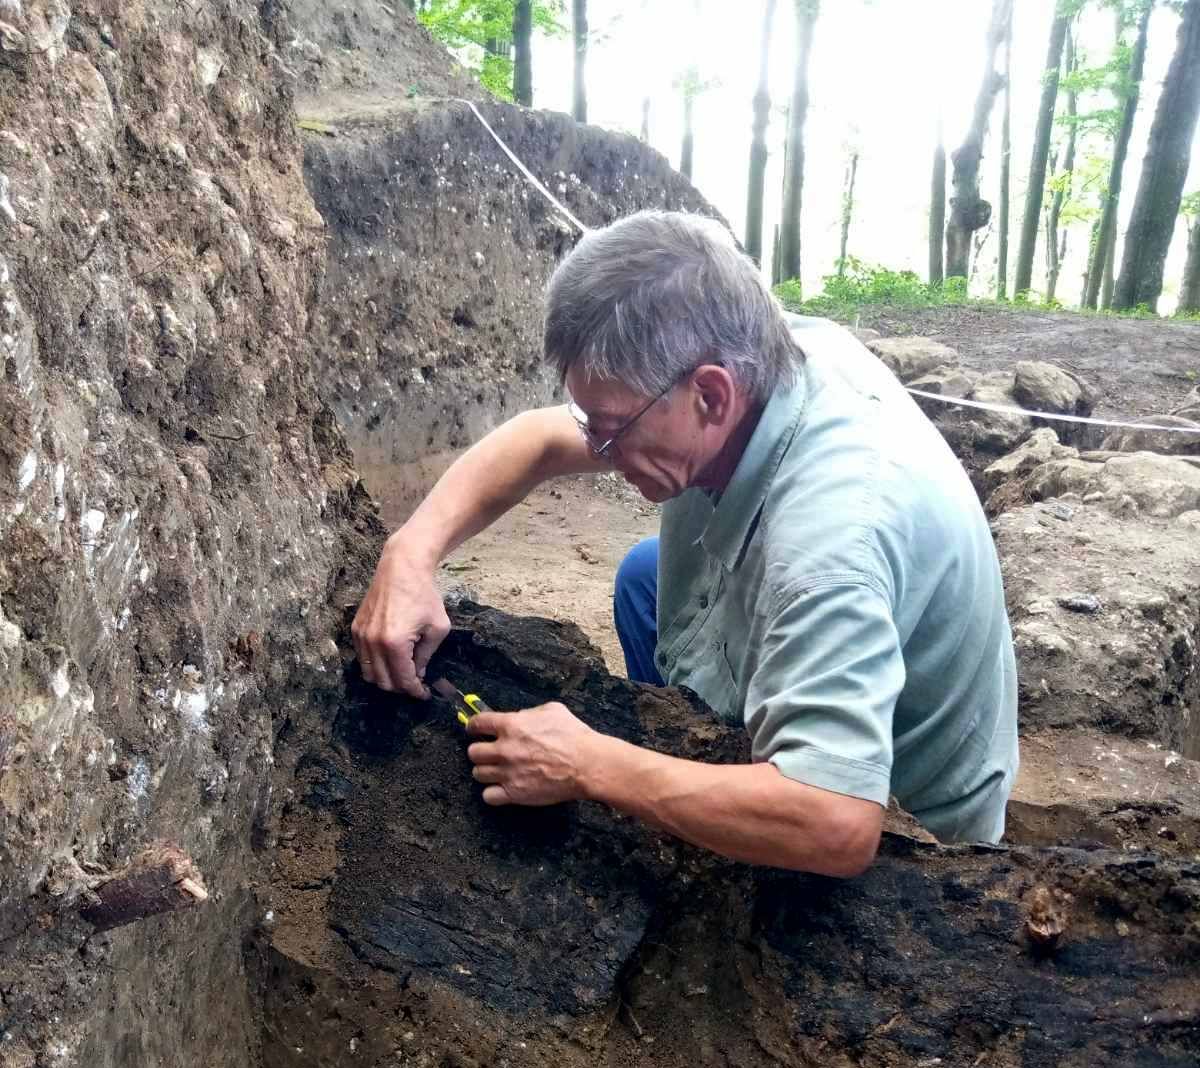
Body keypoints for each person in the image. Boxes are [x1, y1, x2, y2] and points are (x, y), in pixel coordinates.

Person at [353, 211, 1017, 877]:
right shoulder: (757, 356)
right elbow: (539, 438)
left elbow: (837, 823)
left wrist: (590, 764)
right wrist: (409, 555)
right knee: (646, 577)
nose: (599, 449)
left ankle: (716, 809)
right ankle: (697, 774)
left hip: (909, 822)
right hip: (832, 665)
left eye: (614, 429)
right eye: (593, 425)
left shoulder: (831, 541)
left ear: (711, 395)